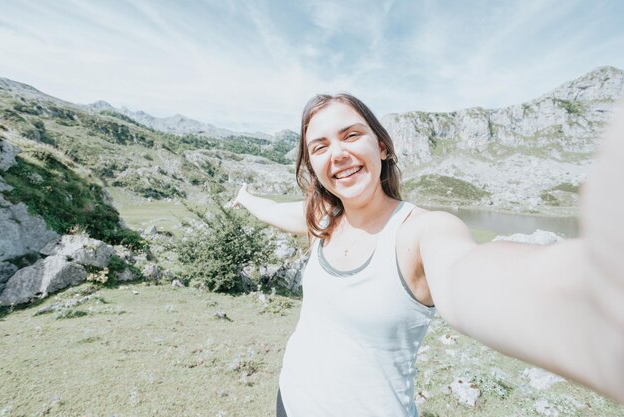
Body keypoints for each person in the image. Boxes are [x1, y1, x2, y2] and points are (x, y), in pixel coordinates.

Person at [232, 93, 624, 416]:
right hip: (291, 400)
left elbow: (467, 275)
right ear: (314, 165)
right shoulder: (325, 219)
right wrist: (246, 198)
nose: (337, 154)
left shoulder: (421, 232)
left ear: (381, 146)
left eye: (351, 135)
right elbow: (278, 211)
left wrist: (595, 291)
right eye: (320, 146)